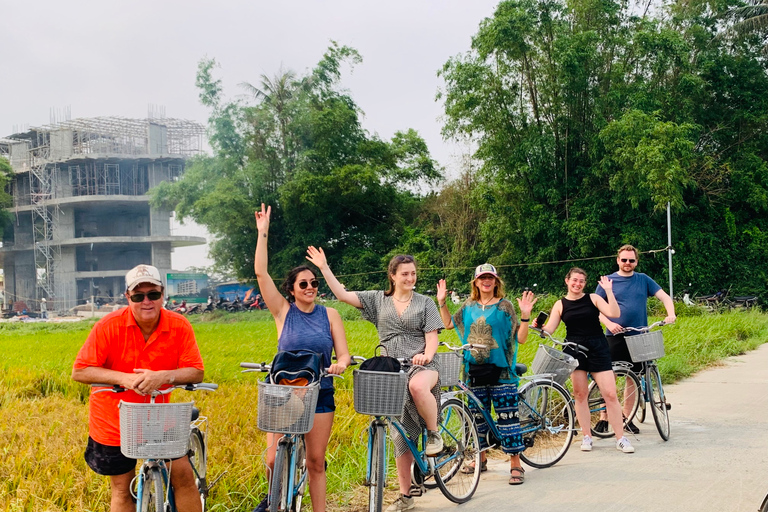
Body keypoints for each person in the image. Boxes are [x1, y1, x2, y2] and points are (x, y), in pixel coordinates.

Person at [306, 247, 443, 512]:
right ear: (392, 276)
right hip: (391, 369)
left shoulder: (425, 302)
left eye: (413, 273)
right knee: (399, 434)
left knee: (417, 386)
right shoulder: (377, 300)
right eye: (404, 274)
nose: (410, 278)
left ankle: (434, 433)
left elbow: (432, 336)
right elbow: (342, 295)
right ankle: (406, 495)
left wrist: (426, 355)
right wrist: (324, 267)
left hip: (421, 364)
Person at [72, 264, 205, 512]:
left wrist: (163, 376)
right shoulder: (108, 326)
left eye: (153, 295)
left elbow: (196, 371)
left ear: (162, 295)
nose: (147, 302)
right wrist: (124, 379)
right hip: (114, 419)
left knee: (184, 478)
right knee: (123, 489)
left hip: (159, 416)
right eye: (138, 296)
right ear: (127, 297)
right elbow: (80, 371)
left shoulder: (179, 325)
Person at [253, 204, 352, 512]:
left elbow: (345, 355)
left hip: (319, 391)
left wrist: (340, 364)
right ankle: (274, 500)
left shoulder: (330, 315)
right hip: (283, 392)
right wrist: (263, 232)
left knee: (315, 461)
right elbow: (260, 272)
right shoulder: (283, 312)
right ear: (292, 290)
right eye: (304, 284)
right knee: (272, 457)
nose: (311, 287)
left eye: (314, 283)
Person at [436, 264, 535, 485]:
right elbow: (449, 324)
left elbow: (521, 338)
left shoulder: (505, 306)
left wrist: (526, 317)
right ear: (476, 283)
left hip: (502, 372)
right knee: (477, 419)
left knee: (507, 418)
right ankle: (480, 459)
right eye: (482, 278)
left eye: (490, 278)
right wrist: (441, 301)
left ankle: (515, 464)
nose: (486, 281)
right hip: (475, 372)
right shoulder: (468, 306)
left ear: (496, 282)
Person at [534, 267, 635, 454]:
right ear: (567, 281)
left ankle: (620, 438)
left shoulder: (593, 299)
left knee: (610, 394)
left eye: (581, 281)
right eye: (574, 280)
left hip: (598, 346)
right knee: (580, 395)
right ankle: (587, 436)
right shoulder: (560, 304)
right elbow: (549, 330)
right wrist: (539, 327)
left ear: (585, 284)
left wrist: (609, 291)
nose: (577, 284)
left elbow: (614, 313)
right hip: (574, 348)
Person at [593, 244, 677, 434]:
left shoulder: (643, 280)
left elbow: (664, 297)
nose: (627, 263)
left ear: (636, 262)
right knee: (609, 379)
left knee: (633, 381)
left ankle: (625, 417)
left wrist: (670, 314)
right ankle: (604, 417)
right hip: (613, 336)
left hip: (638, 336)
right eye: (624, 260)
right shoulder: (607, 281)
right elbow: (595, 307)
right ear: (618, 260)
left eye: (631, 260)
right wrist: (609, 323)